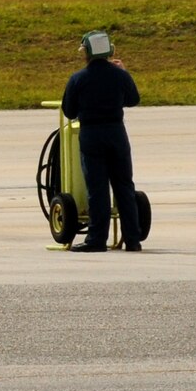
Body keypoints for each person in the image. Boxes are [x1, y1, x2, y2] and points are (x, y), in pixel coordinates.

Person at [61, 30, 143, 253]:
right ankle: (133, 240)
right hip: (116, 132)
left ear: (86, 52)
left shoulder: (78, 79)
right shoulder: (120, 75)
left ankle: (96, 239)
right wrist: (124, 75)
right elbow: (133, 99)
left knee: (97, 189)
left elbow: (68, 111)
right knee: (124, 186)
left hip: (91, 134)